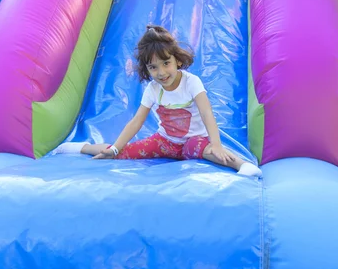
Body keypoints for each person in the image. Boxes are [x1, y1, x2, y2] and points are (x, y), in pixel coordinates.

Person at [54, 25, 262, 177]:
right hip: (164, 142)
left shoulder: (191, 82)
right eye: (153, 67)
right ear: (147, 69)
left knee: (212, 152)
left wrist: (216, 144)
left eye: (166, 63)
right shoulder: (153, 89)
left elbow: (207, 114)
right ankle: (80, 147)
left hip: (194, 142)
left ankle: (242, 165)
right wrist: (116, 148)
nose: (161, 72)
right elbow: (136, 121)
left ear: (177, 60)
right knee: (116, 153)